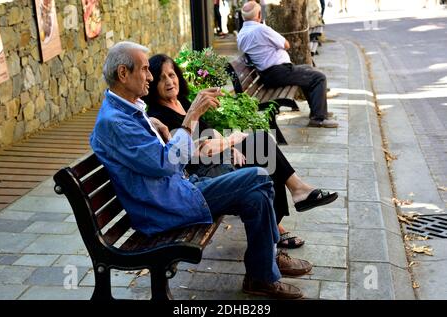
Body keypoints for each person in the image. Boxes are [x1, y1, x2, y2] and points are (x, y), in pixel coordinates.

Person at [90, 41, 315, 299]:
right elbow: (166, 163)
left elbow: (153, 157)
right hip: (165, 207)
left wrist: (156, 128)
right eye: (145, 69)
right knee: (260, 177)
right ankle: (267, 264)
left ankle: (261, 274)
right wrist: (190, 118)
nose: (150, 77)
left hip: (180, 189)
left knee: (256, 197)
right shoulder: (115, 121)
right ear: (123, 73)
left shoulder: (125, 110)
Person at [143, 54, 338, 249]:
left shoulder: (183, 103)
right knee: (263, 158)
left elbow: (210, 133)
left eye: (171, 74)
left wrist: (231, 146)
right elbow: (197, 151)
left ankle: (295, 195)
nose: (169, 81)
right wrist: (229, 143)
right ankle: (282, 218)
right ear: (151, 83)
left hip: (217, 158)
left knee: (261, 144)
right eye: (161, 78)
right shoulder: (159, 115)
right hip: (202, 174)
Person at [237, 1, 338, 128]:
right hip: (278, 72)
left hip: (269, 74)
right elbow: (286, 44)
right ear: (258, 15)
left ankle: (318, 111)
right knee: (319, 77)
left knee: (307, 69)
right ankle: (319, 119)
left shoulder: (241, 34)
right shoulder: (261, 29)